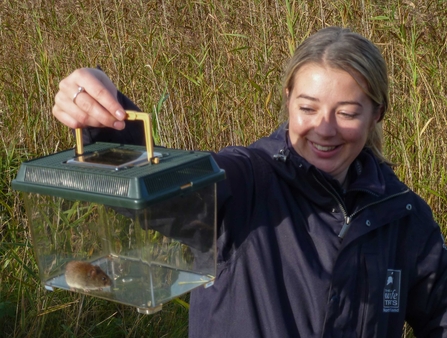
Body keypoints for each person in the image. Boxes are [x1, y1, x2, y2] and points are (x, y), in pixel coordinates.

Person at [52, 27, 447, 337]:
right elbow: (165, 190)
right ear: (288, 99)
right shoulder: (246, 180)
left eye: (346, 112)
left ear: (377, 114)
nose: (324, 129)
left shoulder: (403, 215)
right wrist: (105, 121)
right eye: (308, 107)